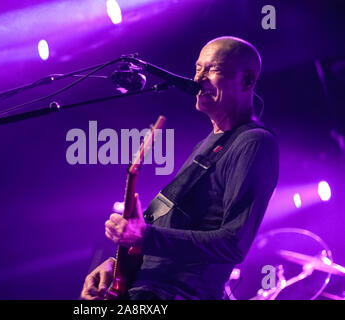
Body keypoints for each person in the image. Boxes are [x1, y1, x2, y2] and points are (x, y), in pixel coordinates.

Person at [80, 36, 279, 300]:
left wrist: (144, 236)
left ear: (247, 81)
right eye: (198, 68)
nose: (198, 79)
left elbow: (233, 244)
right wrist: (117, 265)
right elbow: (167, 228)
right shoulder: (206, 144)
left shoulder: (255, 142)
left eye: (213, 70)